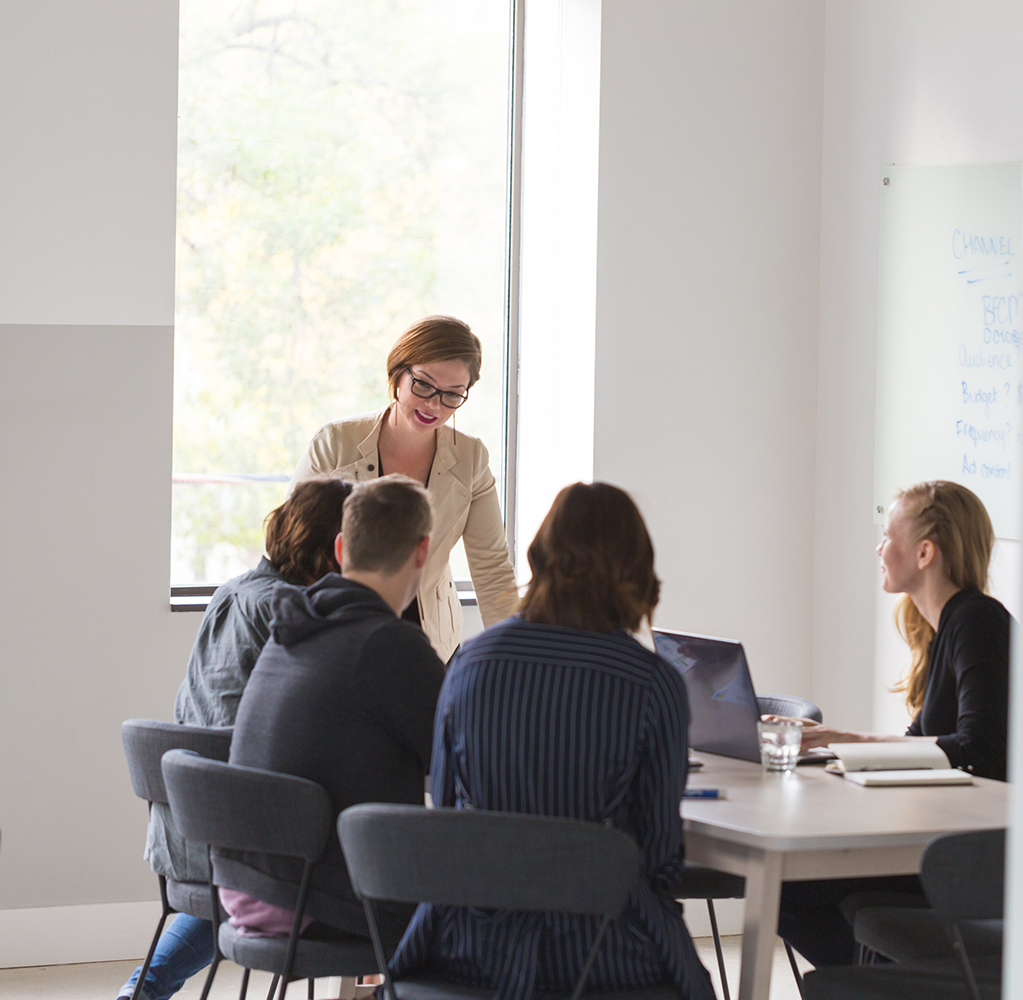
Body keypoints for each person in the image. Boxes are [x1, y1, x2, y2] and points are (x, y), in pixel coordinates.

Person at [389, 482, 716, 1000]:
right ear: (636, 568)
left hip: (471, 944)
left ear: (539, 556)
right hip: (604, 949)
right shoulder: (653, 683)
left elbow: (448, 817)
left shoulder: (470, 663)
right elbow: (657, 857)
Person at [117, 477, 353, 1000]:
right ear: (339, 545)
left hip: (184, 830)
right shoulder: (293, 609)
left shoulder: (234, 590)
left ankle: (141, 991)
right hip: (242, 839)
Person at [776, 479, 1012, 967]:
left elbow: (978, 750)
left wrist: (845, 739)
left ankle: (890, 984)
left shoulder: (977, 621)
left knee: (787, 888)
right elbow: (922, 745)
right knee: (787, 887)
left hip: (971, 857)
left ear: (925, 552)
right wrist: (829, 751)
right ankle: (887, 981)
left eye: (888, 534)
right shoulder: (948, 627)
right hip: (943, 840)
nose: (878, 547)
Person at [218, 475, 446, 942]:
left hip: (247, 882)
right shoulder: (390, 644)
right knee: (491, 891)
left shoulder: (292, 625)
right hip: (314, 898)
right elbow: (462, 760)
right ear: (422, 553)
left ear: (341, 549)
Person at [290, 315, 518, 661]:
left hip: (429, 646)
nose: (434, 405)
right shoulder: (335, 443)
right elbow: (293, 549)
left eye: (452, 395)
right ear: (398, 373)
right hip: (339, 638)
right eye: (424, 385)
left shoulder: (471, 458)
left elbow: (491, 568)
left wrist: (517, 656)